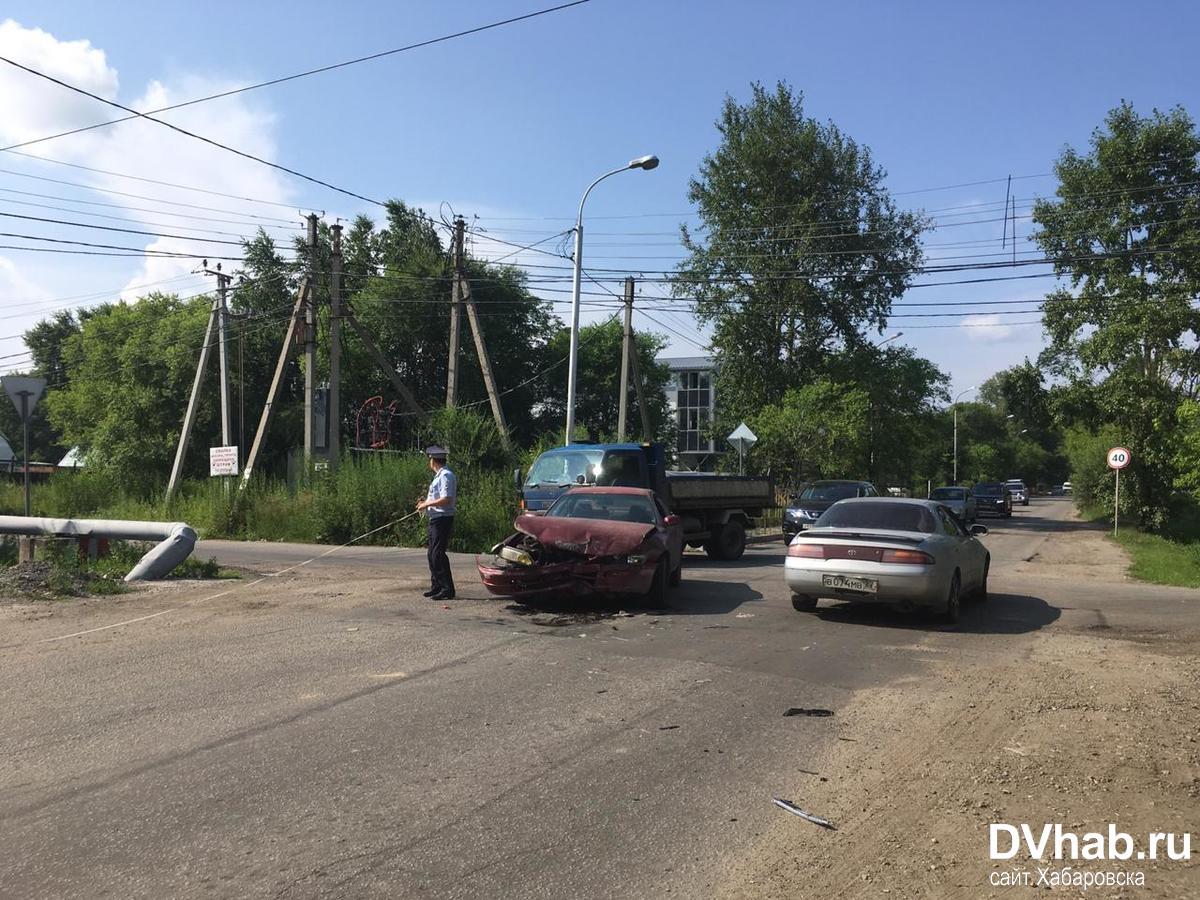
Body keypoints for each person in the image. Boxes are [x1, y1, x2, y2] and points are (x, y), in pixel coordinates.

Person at [416, 445, 456, 600]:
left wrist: (427, 504)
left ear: (433, 460)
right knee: (431, 554)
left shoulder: (446, 475)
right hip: (435, 518)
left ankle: (447, 589)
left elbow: (447, 499)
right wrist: (424, 503)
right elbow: (437, 498)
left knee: (438, 554)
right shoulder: (438, 476)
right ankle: (437, 585)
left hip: (443, 519)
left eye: (430, 459)